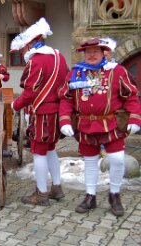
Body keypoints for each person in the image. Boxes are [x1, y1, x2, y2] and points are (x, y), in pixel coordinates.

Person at [59, 38, 141, 216]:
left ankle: (115, 195)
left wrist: (135, 119)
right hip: (85, 124)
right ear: (84, 54)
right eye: (88, 52)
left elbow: (131, 97)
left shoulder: (117, 71)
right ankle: (91, 196)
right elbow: (66, 98)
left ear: (103, 52)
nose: (91, 55)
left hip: (111, 124)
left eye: (95, 51)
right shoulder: (76, 73)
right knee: (89, 162)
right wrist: (64, 120)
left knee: (118, 159)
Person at [11, 17, 69, 206]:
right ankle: (57, 187)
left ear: (30, 43)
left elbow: (30, 93)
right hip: (57, 112)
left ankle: (41, 193)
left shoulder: (37, 60)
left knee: (39, 152)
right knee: (51, 148)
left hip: (42, 114)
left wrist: (15, 105)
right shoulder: (59, 57)